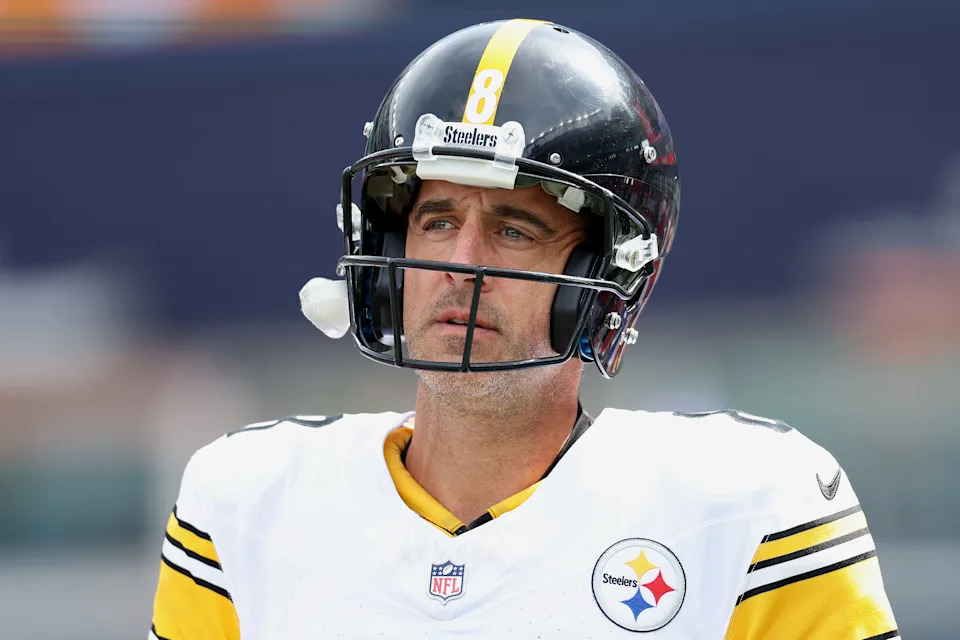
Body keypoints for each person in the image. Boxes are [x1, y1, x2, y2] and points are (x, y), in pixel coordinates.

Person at [149, 18, 899, 639]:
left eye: (513, 229)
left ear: (608, 275)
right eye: (437, 220)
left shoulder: (747, 505)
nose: (460, 264)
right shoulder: (251, 501)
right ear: (385, 250)